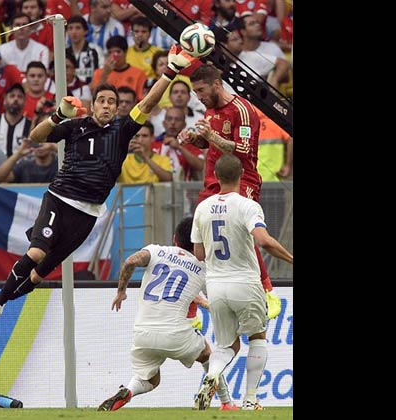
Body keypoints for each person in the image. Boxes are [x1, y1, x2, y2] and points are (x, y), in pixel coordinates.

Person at [0, 44, 200, 333]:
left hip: (87, 214)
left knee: (37, 277)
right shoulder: (76, 126)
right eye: (102, 101)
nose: (108, 106)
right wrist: (57, 115)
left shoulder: (122, 130)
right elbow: (37, 137)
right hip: (59, 199)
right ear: (93, 103)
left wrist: (170, 72)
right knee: (36, 253)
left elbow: (148, 103)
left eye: (113, 101)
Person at [97, 217, 237, 412]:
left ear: (174, 239)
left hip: (142, 334)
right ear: (200, 243)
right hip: (176, 334)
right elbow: (218, 301)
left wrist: (121, 291)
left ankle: (128, 391)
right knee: (207, 355)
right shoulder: (203, 267)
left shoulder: (156, 251)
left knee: (150, 380)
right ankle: (226, 403)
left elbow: (130, 261)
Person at [178, 63, 281, 320]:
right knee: (199, 233)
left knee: (247, 233)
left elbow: (243, 150)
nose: (198, 96)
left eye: (200, 90)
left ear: (216, 85)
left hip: (240, 179)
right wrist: (195, 139)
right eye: (195, 92)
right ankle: (197, 300)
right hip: (213, 180)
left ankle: (268, 290)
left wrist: (211, 136)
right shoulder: (211, 108)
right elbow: (209, 142)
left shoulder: (243, 110)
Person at [191, 153, 293, 411]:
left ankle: (212, 375)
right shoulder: (247, 205)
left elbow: (199, 254)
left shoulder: (202, 208)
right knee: (257, 337)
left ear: (215, 176)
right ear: (240, 176)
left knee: (227, 345)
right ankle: (250, 400)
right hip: (245, 282)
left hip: (215, 285)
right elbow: (263, 240)